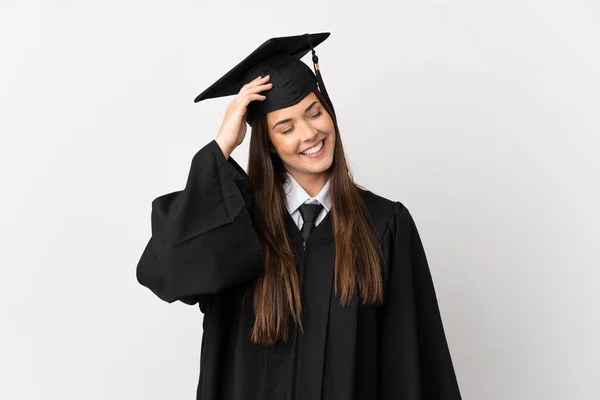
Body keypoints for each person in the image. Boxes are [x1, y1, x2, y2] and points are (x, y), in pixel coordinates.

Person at [136, 32, 462, 400]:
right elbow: (165, 270)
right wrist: (221, 148)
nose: (309, 134)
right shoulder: (236, 226)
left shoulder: (386, 225)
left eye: (315, 112)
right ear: (269, 146)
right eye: (286, 127)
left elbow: (412, 361)